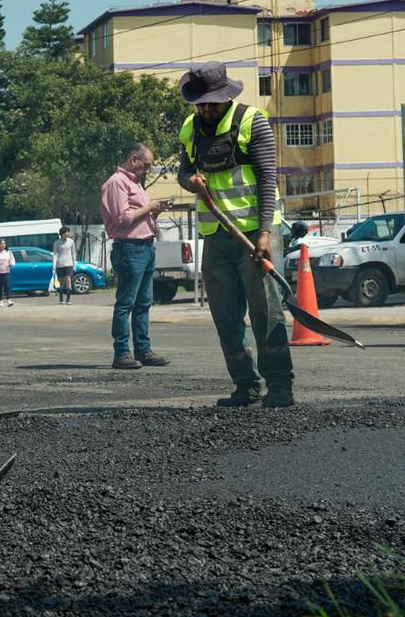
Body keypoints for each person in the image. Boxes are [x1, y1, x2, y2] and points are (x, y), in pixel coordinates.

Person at [175, 61, 294, 408]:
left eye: (213, 102)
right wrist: (189, 182)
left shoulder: (251, 121)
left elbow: (268, 178)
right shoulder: (189, 128)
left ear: (226, 97)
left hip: (254, 234)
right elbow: (184, 170)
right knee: (225, 315)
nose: (208, 109)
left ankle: (280, 385)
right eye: (202, 103)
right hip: (216, 235)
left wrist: (265, 233)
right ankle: (245, 385)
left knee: (266, 312)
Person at [101, 143, 169, 368]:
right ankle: (121, 353)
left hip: (145, 247)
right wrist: (149, 207)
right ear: (133, 159)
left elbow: (136, 216)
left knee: (143, 303)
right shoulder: (116, 183)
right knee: (126, 304)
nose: (147, 170)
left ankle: (143, 349)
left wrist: (153, 212)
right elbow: (123, 218)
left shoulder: (134, 184)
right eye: (146, 165)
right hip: (129, 249)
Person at [54, 227, 78, 304]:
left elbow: (73, 253)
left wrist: (75, 264)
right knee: (61, 282)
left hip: (69, 263)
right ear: (62, 234)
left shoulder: (71, 242)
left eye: (68, 232)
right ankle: (61, 299)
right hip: (60, 264)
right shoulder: (57, 242)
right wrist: (54, 265)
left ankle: (68, 299)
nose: (67, 234)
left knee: (68, 280)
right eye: (66, 232)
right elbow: (55, 254)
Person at [0, 240, 16, 306]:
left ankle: (9, 300)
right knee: (0, 287)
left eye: (4, 243)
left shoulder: (9, 252)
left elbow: (12, 259)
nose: (3, 245)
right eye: (1, 243)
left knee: (7, 286)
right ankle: (0, 301)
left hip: (6, 271)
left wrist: (11, 263)